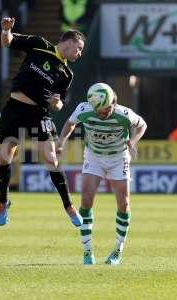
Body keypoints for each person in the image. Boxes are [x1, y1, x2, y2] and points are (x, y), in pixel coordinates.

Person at [0, 17, 85, 227]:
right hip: (15, 108)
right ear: (70, 41)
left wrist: (57, 104)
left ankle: (69, 206)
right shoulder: (39, 44)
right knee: (3, 157)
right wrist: (5, 30)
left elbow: (60, 102)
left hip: (39, 113)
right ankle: (3, 202)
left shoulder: (67, 73)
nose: (79, 53)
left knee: (51, 158)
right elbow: (8, 42)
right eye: (79, 48)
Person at [57, 82, 147, 265]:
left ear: (113, 102)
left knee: (124, 203)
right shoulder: (84, 109)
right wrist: (61, 142)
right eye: (99, 110)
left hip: (118, 157)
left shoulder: (124, 114)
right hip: (94, 156)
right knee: (86, 201)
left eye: (107, 109)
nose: (103, 113)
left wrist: (133, 142)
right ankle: (87, 252)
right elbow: (70, 123)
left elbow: (142, 125)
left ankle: (117, 250)